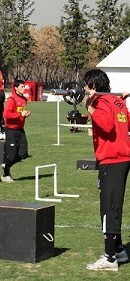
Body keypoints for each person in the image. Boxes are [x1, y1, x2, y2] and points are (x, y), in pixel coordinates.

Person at [83, 69, 130, 271]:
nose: (84, 90)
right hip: (122, 158)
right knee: (112, 207)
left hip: (112, 160)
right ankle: (118, 249)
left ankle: (110, 258)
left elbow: (107, 125)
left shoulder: (102, 103)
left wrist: (90, 107)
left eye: (86, 86)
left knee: (108, 209)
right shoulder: (117, 102)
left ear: (93, 86)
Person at [1, 79, 30, 183]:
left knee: (23, 154)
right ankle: (6, 173)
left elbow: (20, 112)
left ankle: (6, 165)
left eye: (24, 86)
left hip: (20, 130)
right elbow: (6, 115)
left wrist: (25, 114)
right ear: (16, 88)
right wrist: (20, 115)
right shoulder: (11, 100)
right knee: (11, 154)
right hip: (11, 130)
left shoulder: (24, 100)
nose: (24, 88)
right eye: (22, 87)